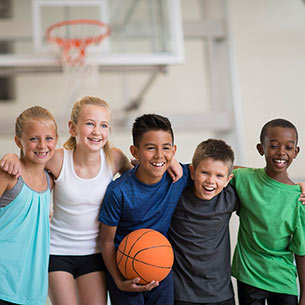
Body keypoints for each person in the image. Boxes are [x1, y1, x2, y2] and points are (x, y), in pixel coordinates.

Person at [0, 96, 131, 305]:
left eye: (103, 125)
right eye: (90, 124)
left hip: (93, 253)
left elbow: (143, 181)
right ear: (72, 128)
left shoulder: (115, 159)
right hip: (56, 251)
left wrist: (171, 166)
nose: (97, 131)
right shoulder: (58, 159)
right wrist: (11, 156)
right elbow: (30, 160)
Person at [99, 113, 192, 305]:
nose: (159, 155)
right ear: (135, 151)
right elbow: (106, 240)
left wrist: (258, 173)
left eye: (165, 148)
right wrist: (118, 281)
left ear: (174, 150)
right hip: (125, 270)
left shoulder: (178, 177)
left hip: (161, 265)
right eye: (150, 148)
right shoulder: (118, 191)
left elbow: (218, 170)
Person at [231, 118, 305, 305]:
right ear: (261, 148)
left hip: (284, 280)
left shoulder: (299, 199)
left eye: (288, 147)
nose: (281, 152)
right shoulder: (244, 179)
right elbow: (216, 168)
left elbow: (302, 251)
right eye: (273, 145)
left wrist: (304, 295)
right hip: (250, 275)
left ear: (296, 152)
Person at [168, 139, 239, 305]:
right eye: (205, 173)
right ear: (192, 172)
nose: (211, 181)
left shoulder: (230, 196)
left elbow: (262, 180)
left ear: (228, 179)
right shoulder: (176, 193)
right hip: (182, 294)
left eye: (219, 176)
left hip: (221, 294)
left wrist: (296, 187)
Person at [0, 106, 58, 305]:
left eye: (49, 138)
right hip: (3, 281)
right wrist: (10, 156)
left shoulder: (51, 179)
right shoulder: (8, 174)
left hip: (32, 289)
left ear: (56, 140)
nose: (42, 145)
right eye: (33, 138)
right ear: (18, 141)